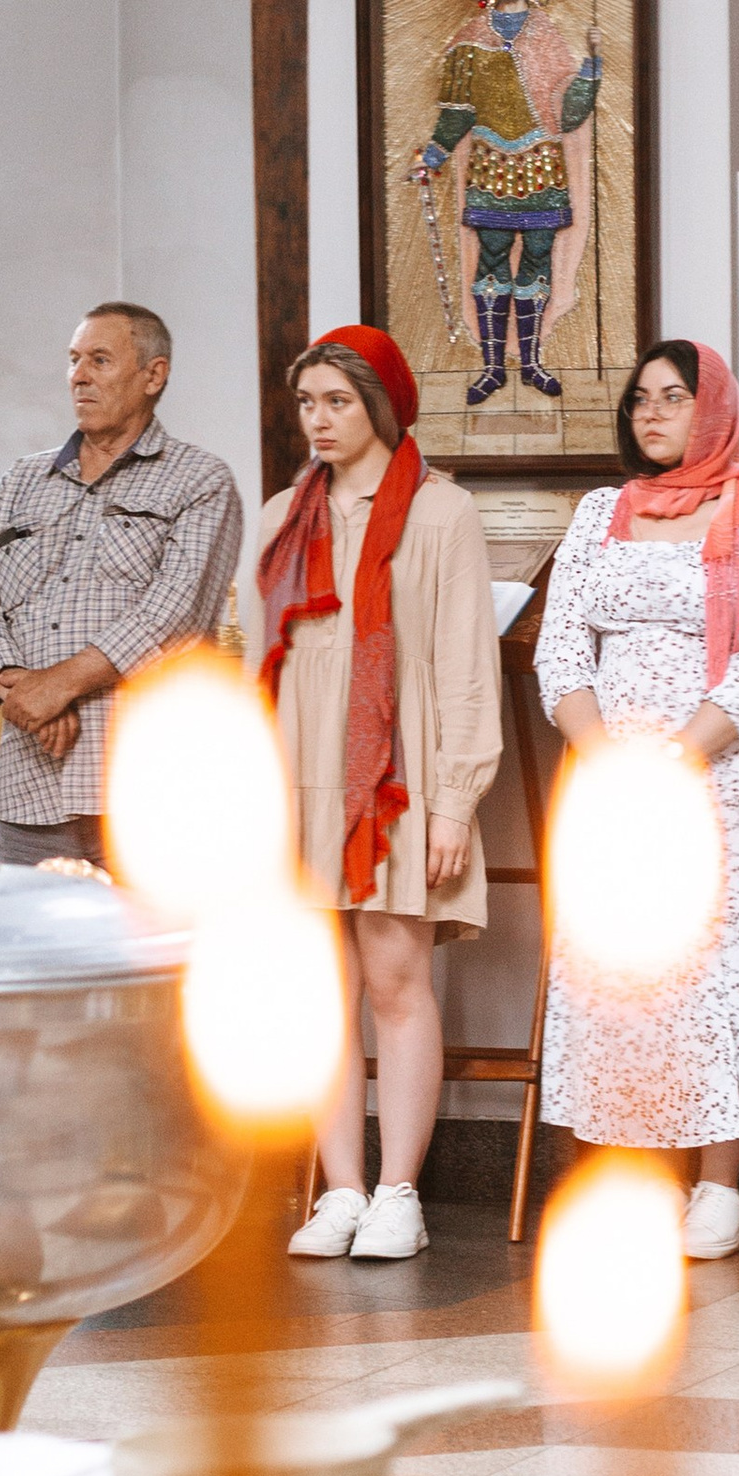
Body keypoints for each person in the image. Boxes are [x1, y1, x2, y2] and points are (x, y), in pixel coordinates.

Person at [536, 340, 739, 1259]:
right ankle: (631, 1177)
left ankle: (717, 1189)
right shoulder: (598, 514)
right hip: (609, 775)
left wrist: (675, 760)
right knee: (621, 973)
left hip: (714, 779)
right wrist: (606, 755)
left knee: (710, 971)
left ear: (716, 410)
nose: (653, 414)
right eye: (641, 400)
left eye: (674, 398)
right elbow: (561, 649)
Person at [263, 325, 503, 1264]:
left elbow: (464, 666)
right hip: (302, 772)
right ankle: (341, 1190)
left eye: (337, 402)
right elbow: (266, 659)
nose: (319, 421)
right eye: (308, 403)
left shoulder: (441, 513)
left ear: (381, 407)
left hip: (399, 779)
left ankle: (400, 1190)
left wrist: (453, 801)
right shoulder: (289, 510)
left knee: (396, 979)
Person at [0, 302, 242, 865]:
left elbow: (173, 615)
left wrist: (58, 686)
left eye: (100, 360)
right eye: (74, 360)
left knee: (144, 954)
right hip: (30, 787)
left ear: (153, 375)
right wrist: (17, 684)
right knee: (29, 953)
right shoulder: (22, 479)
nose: (78, 376)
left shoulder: (201, 480)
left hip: (147, 787)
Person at [413, 0, 603, 407]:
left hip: (540, 162)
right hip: (492, 164)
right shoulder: (472, 39)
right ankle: (494, 366)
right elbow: (458, 110)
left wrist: (591, 73)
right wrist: (434, 153)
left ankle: (533, 362)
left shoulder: (547, 35)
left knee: (536, 260)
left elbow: (567, 114)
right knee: (492, 261)